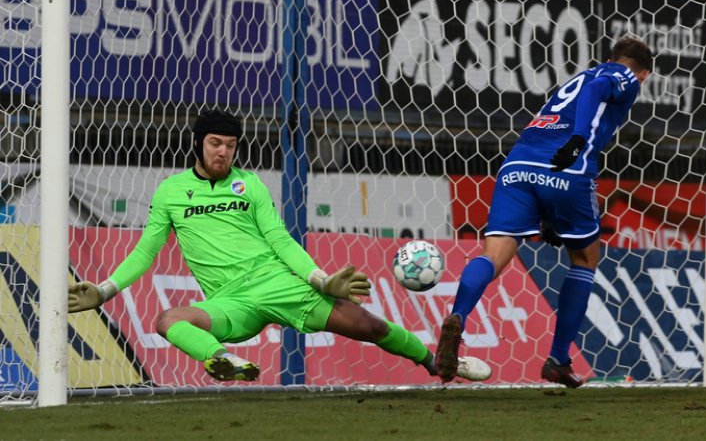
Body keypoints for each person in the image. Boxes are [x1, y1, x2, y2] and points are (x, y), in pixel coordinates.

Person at [68, 109, 491, 383]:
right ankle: (224, 360)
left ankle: (435, 363)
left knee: (372, 328)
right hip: (231, 302)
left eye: (231, 145)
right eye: (216, 143)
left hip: (279, 285)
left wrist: (321, 281)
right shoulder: (171, 192)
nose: (223, 152)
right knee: (167, 319)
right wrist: (105, 291)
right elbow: (146, 251)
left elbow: (279, 238)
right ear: (198, 143)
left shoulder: (248, 184)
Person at [435, 37, 653, 387]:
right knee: (585, 257)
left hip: (517, 166)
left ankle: (457, 316)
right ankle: (558, 358)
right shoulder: (621, 76)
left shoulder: (576, 79)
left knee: (493, 254)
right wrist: (578, 139)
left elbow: (586, 89)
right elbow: (599, 88)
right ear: (643, 73)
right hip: (567, 167)